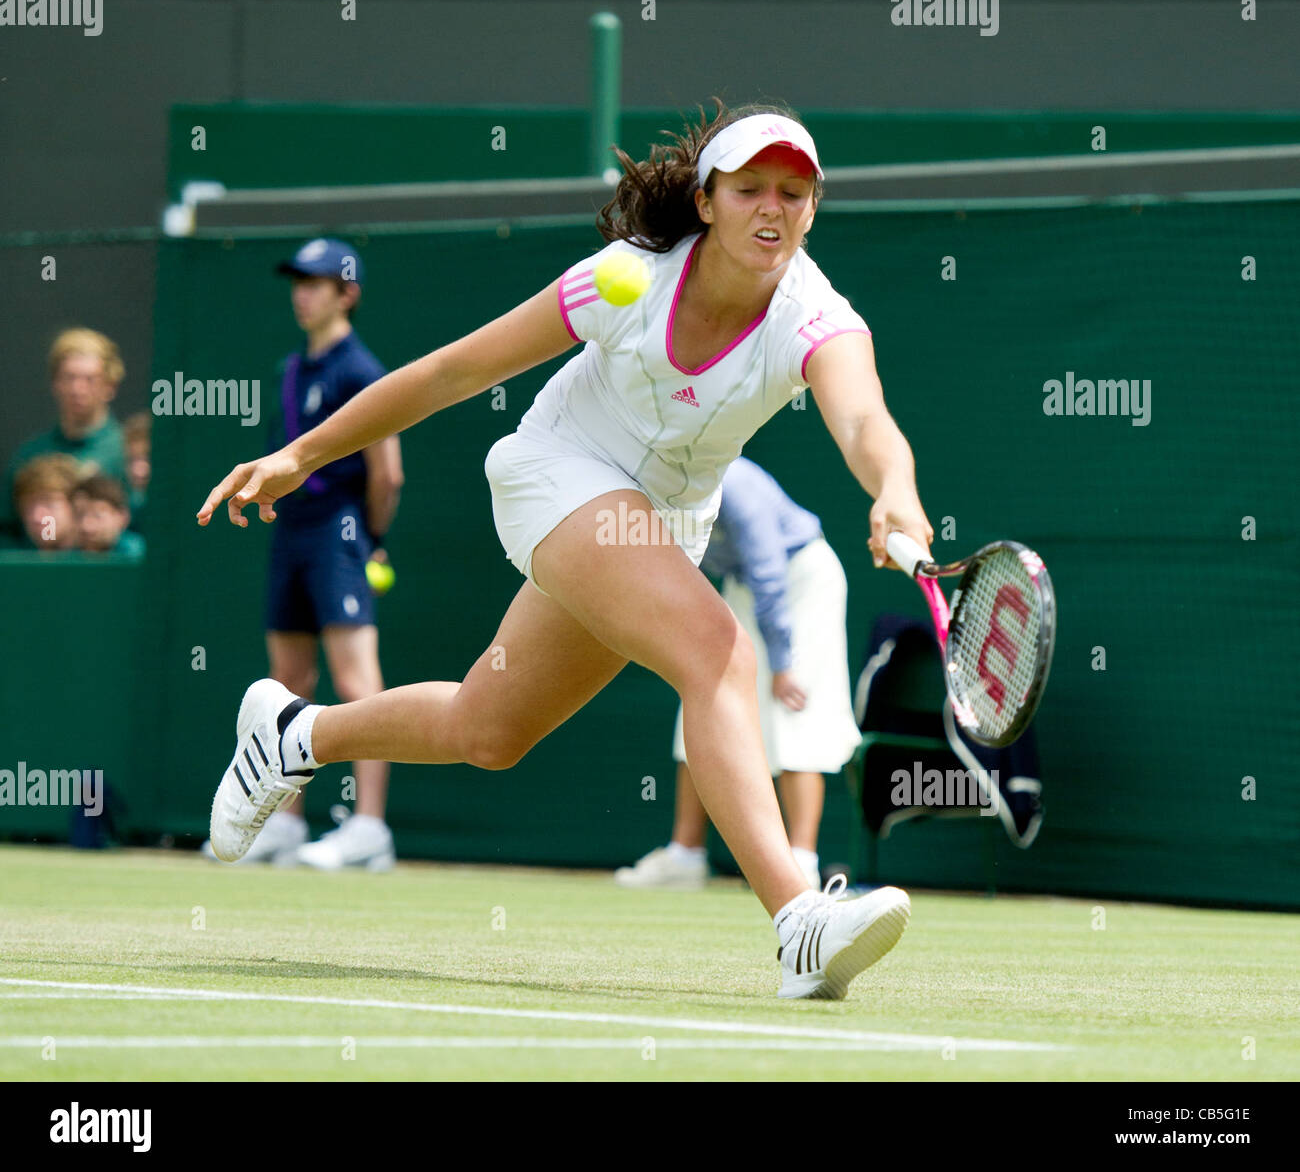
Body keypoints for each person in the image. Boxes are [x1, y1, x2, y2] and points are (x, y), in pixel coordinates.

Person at [198, 102, 934, 1001]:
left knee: (487, 730)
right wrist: (301, 453)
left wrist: (893, 488)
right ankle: (797, 923)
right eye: (749, 190)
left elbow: (864, 420)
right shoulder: (627, 279)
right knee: (718, 651)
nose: (771, 208)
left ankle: (293, 734)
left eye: (793, 191)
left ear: (813, 208)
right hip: (560, 474)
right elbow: (454, 371)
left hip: (662, 525)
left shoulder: (816, 314)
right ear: (707, 201)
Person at [201, 238, 405, 870]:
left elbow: (388, 474)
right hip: (291, 531)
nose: (302, 292)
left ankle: (370, 826)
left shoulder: (360, 370)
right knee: (286, 682)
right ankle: (283, 822)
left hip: (341, 532)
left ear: (347, 293)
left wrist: (369, 538)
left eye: (316, 282)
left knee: (354, 681)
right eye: (297, 281)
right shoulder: (291, 370)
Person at [615, 456, 860, 891]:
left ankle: (801, 864)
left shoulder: (739, 486)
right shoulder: (653, 489)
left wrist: (783, 664)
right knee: (704, 697)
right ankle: (685, 856)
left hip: (799, 580)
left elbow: (770, 574)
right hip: (743, 585)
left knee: (792, 710)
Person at [4, 329, 130, 543]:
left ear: (110, 386)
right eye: (69, 377)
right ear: (55, 383)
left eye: (90, 379)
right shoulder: (31, 456)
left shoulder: (128, 454)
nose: (77, 389)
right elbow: (7, 530)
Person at [11, 453, 82, 551]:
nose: (37, 517)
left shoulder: (102, 560)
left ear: (76, 505)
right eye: (28, 507)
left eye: (49, 504)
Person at [72, 473, 145, 557]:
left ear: (122, 517)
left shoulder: (137, 554)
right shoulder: (68, 555)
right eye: (79, 515)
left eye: (97, 516)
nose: (86, 526)